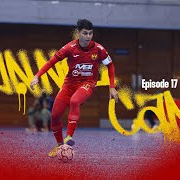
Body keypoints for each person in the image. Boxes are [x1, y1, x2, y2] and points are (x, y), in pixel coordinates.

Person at [30, 19, 118, 157]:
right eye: (85, 33)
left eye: (90, 33)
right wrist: (37, 76)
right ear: (78, 33)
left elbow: (110, 66)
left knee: (75, 101)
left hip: (87, 83)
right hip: (69, 85)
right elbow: (51, 62)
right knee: (54, 116)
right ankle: (60, 146)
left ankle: (69, 137)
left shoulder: (99, 50)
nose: (88, 36)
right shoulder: (69, 48)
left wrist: (112, 87)